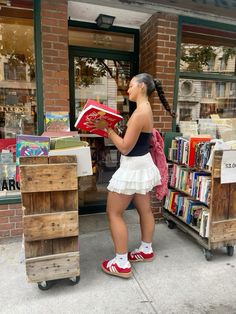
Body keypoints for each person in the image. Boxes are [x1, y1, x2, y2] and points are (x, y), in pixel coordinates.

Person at [97, 73, 175, 278]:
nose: (128, 89)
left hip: (132, 167)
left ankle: (121, 263)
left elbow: (124, 147)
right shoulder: (145, 110)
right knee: (145, 209)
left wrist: (107, 130)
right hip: (143, 165)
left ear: (141, 86)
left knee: (113, 213)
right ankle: (146, 250)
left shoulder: (140, 112)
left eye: (130, 86)